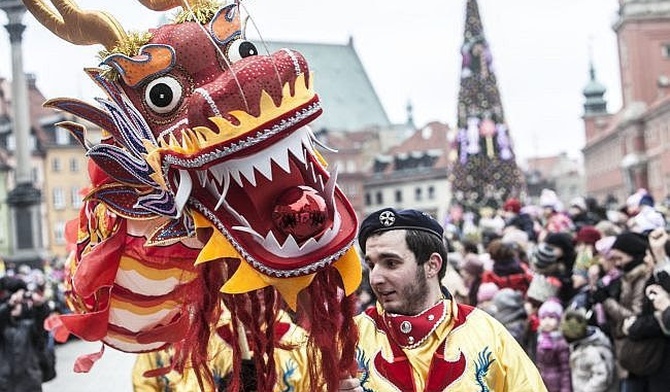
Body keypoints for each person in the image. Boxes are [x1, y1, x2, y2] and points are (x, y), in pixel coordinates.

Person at [346, 207, 547, 391]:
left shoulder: (488, 335)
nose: (375, 278)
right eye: (371, 265)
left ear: (432, 265)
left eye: (391, 263)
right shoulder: (346, 340)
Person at [0, 275, 52, 392]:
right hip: (4, 384)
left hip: (30, 383)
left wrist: (40, 305)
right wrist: (9, 304)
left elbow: (42, 321)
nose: (16, 306)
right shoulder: (3, 327)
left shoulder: (29, 325)